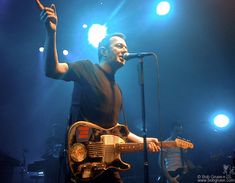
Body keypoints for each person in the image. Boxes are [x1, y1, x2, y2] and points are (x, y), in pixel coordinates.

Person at [36, 1, 161, 182]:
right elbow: (52, 70)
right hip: (82, 161)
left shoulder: (117, 90)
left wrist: (145, 141)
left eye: (125, 46)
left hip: (108, 164)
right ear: (103, 51)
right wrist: (51, 32)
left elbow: (116, 129)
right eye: (119, 45)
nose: (125, 49)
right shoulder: (87, 68)